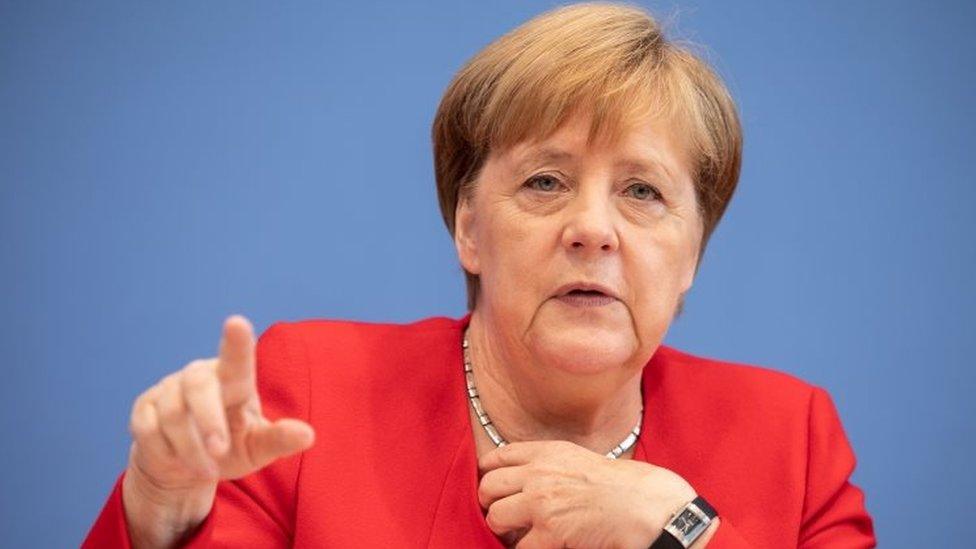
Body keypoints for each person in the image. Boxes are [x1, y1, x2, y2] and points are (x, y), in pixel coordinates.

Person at [83, 3, 876, 548]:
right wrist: (156, 509)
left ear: (694, 251)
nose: (592, 229)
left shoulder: (792, 439)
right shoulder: (312, 395)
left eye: (642, 191)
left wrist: (678, 526)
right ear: (468, 224)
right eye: (545, 182)